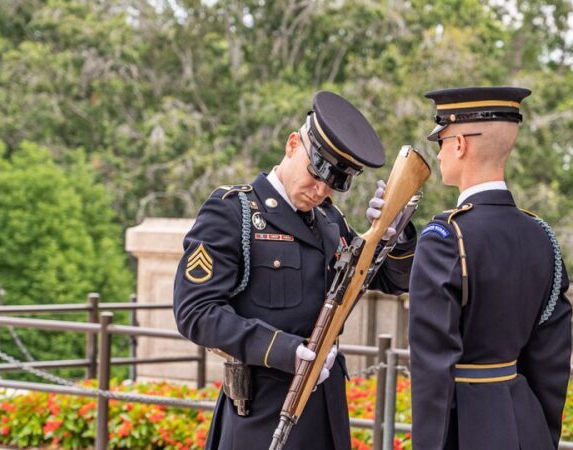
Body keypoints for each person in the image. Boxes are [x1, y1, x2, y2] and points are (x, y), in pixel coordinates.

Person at [174, 90, 416, 450]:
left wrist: (397, 233)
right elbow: (196, 312)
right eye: (315, 172)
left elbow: (389, 279)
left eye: (333, 183)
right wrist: (284, 350)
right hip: (262, 417)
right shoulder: (234, 212)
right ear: (292, 145)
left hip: (325, 415)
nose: (320, 190)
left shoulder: (330, 221)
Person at [408, 86, 572, 449]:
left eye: (441, 141)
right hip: (524, 423)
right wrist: (542, 436)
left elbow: (431, 370)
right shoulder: (541, 236)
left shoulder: (445, 237)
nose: (438, 154)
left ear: (460, 145)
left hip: (464, 430)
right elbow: (551, 358)